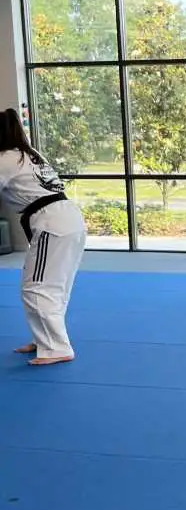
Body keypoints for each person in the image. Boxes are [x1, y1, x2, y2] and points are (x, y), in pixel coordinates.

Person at [0, 106, 86, 366]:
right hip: (67, 219)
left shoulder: (4, 159)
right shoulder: (28, 154)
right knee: (53, 287)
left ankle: (56, 347)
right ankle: (45, 340)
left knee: (36, 287)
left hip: (52, 223)